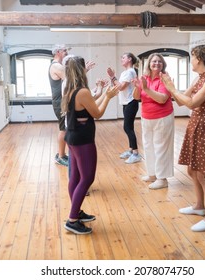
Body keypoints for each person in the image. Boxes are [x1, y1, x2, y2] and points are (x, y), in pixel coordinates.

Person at [160, 44, 205, 232]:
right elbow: (180, 101)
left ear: (200, 59)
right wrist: (171, 89)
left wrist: (173, 89)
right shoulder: (199, 79)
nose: (191, 60)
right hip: (195, 125)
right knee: (192, 170)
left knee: (203, 173)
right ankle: (199, 207)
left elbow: (193, 102)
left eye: (192, 57)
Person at [61, 56, 119, 234]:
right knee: (87, 178)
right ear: (81, 70)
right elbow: (98, 113)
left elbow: (92, 110)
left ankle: (76, 212)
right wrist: (108, 97)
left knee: (76, 178)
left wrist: (104, 94)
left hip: (72, 138)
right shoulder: (82, 92)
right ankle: (72, 220)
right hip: (82, 140)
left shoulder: (70, 90)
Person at [132, 53, 174, 190]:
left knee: (161, 147)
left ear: (163, 65)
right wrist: (137, 87)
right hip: (146, 117)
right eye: (154, 61)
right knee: (148, 146)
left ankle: (162, 179)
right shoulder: (144, 78)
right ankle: (153, 174)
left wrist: (145, 88)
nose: (157, 64)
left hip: (163, 117)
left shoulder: (165, 79)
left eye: (159, 62)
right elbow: (137, 97)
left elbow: (162, 99)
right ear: (149, 64)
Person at [107, 52, 141, 164]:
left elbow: (121, 87)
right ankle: (131, 150)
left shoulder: (130, 71)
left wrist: (112, 76)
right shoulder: (124, 73)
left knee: (127, 127)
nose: (121, 59)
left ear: (130, 59)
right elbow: (117, 87)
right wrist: (113, 79)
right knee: (128, 126)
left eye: (123, 57)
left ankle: (136, 153)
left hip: (131, 102)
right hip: (126, 103)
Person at [49, 44, 71, 166]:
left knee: (65, 128)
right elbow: (72, 79)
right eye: (64, 50)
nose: (66, 53)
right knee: (63, 129)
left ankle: (61, 154)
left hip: (61, 101)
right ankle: (61, 156)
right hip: (60, 102)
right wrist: (83, 71)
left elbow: (71, 78)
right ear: (58, 52)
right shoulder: (56, 66)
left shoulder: (58, 65)